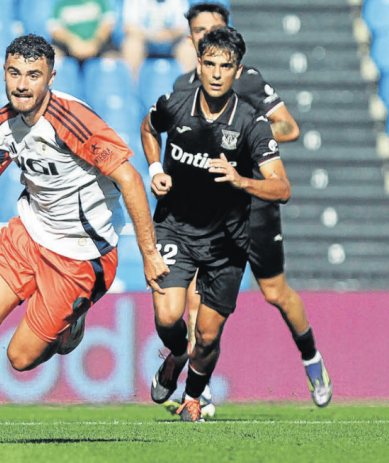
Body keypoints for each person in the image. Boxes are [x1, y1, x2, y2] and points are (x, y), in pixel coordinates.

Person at [0, 34, 168, 446]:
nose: (22, 84)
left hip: (81, 254)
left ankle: (69, 325)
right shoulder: (2, 126)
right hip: (28, 232)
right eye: (14, 73)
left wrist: (148, 254)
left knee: (20, 359)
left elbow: (129, 178)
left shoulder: (72, 122)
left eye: (33, 75)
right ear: (4, 73)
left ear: (50, 78)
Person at [165, 2, 331, 417]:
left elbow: (289, 128)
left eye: (215, 28)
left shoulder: (249, 82)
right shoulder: (182, 88)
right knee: (190, 302)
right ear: (192, 40)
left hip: (252, 205)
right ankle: (195, 392)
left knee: (275, 292)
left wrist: (240, 138)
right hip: (204, 215)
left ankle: (312, 361)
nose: (208, 36)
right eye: (200, 31)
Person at [142, 26, 292, 422]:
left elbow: (282, 187)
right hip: (174, 226)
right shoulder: (175, 104)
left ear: (236, 70)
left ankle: (192, 395)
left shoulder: (251, 123)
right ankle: (175, 356)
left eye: (225, 66)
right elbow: (147, 127)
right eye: (209, 63)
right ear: (199, 63)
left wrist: (242, 180)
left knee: (207, 336)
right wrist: (155, 168)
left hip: (227, 241)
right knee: (169, 317)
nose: (215, 73)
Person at [121, 0, 197, 81]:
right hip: (145, 40)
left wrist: (169, 34)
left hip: (171, 42)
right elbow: (129, 27)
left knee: (188, 45)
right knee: (132, 44)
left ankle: (187, 87)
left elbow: (183, 27)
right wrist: (152, 35)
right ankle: (132, 87)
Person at [49, 0, 120, 66]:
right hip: (69, 46)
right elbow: (56, 30)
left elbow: (107, 26)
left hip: (98, 44)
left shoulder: (101, 2)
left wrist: (95, 42)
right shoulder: (61, 4)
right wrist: (73, 42)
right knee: (53, 56)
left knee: (113, 59)